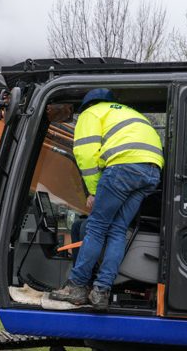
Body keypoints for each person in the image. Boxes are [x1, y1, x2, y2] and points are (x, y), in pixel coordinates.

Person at [49, 88, 163, 310]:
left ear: (88, 105)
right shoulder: (128, 113)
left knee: (96, 227)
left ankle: (77, 287)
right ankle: (101, 291)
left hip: (124, 167)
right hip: (151, 171)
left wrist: (93, 191)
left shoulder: (91, 114)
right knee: (118, 230)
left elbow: (86, 154)